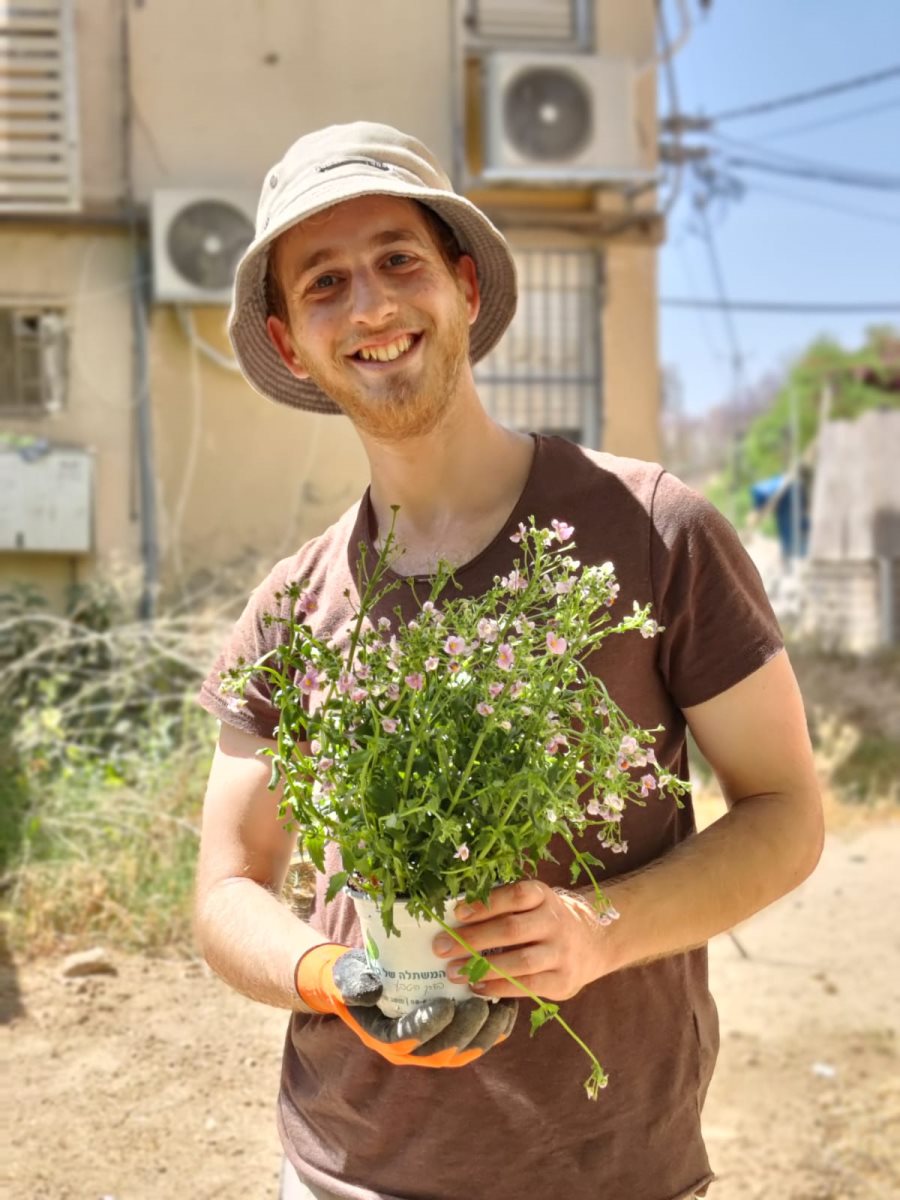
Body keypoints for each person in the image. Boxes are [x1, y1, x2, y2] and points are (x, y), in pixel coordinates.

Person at [194, 122, 823, 1200]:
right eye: (326, 283)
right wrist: (335, 978)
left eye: (401, 260)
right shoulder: (290, 608)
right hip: (351, 1167)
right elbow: (228, 887)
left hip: (610, 1168)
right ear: (292, 342)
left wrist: (597, 932)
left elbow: (786, 810)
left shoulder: (653, 531)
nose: (375, 307)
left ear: (466, 286)